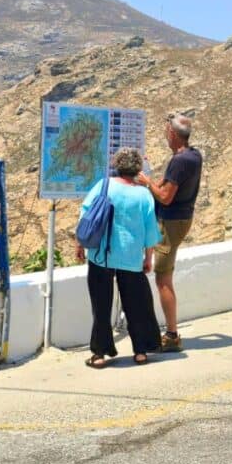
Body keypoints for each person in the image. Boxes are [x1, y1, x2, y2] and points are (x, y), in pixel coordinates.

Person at [76, 147, 161, 368]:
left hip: (101, 255)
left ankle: (99, 354)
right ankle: (140, 351)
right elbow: (150, 230)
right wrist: (148, 258)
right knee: (137, 305)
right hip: (131, 257)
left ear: (116, 165)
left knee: (101, 305)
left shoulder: (103, 186)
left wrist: (79, 244)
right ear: (137, 169)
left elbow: (86, 215)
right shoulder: (143, 194)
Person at [136, 112, 203, 352]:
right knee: (165, 275)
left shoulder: (179, 161)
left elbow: (165, 196)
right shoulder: (194, 155)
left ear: (173, 134)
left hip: (171, 222)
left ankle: (172, 336)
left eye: (166, 132)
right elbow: (168, 186)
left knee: (163, 279)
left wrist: (146, 182)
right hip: (182, 218)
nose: (165, 136)